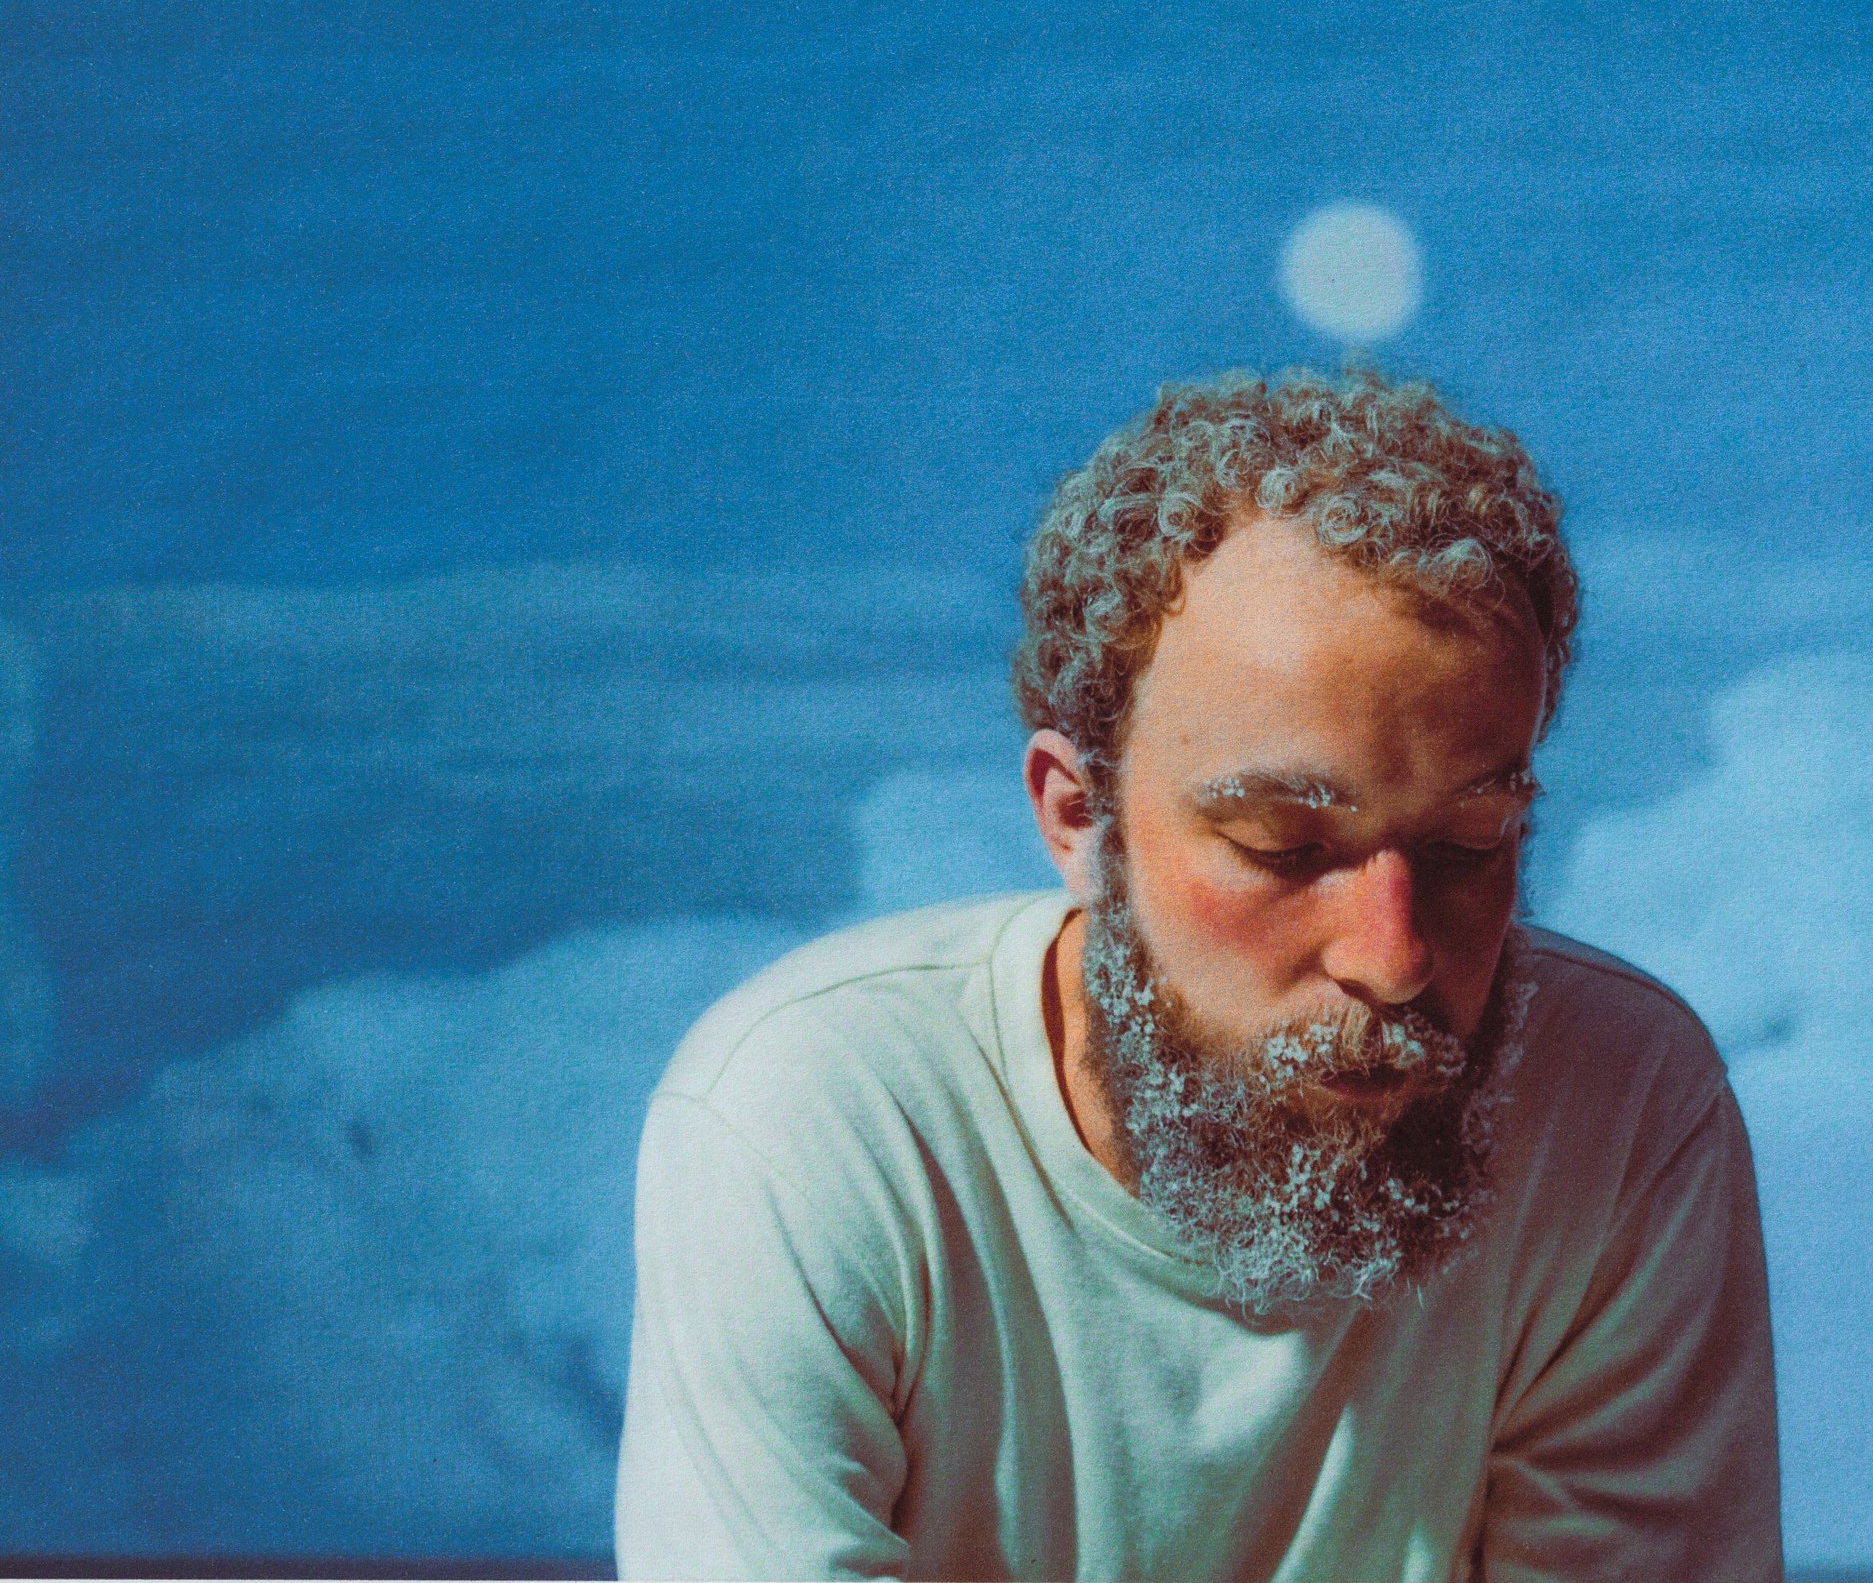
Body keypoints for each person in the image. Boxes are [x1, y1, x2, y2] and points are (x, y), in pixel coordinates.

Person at [614, 368, 1782, 1581]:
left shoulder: (1623, 1105)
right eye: (1284, 846)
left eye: (1469, 845)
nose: (1392, 958)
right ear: (1080, 819)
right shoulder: (815, 1116)